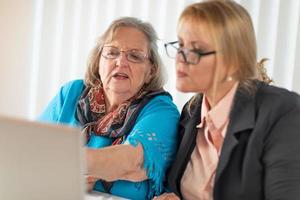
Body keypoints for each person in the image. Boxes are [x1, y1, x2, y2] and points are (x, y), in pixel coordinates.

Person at [156, 0, 300, 199]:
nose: (181, 57)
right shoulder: (192, 112)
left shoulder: (283, 112)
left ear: (233, 61)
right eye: (181, 45)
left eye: (195, 50)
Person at [38, 17, 180, 199]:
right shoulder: (71, 93)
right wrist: (63, 179)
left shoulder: (161, 111)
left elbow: (131, 163)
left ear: (150, 71)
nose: (121, 62)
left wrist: (68, 165)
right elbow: (31, 151)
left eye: (135, 56)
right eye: (112, 53)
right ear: (98, 61)